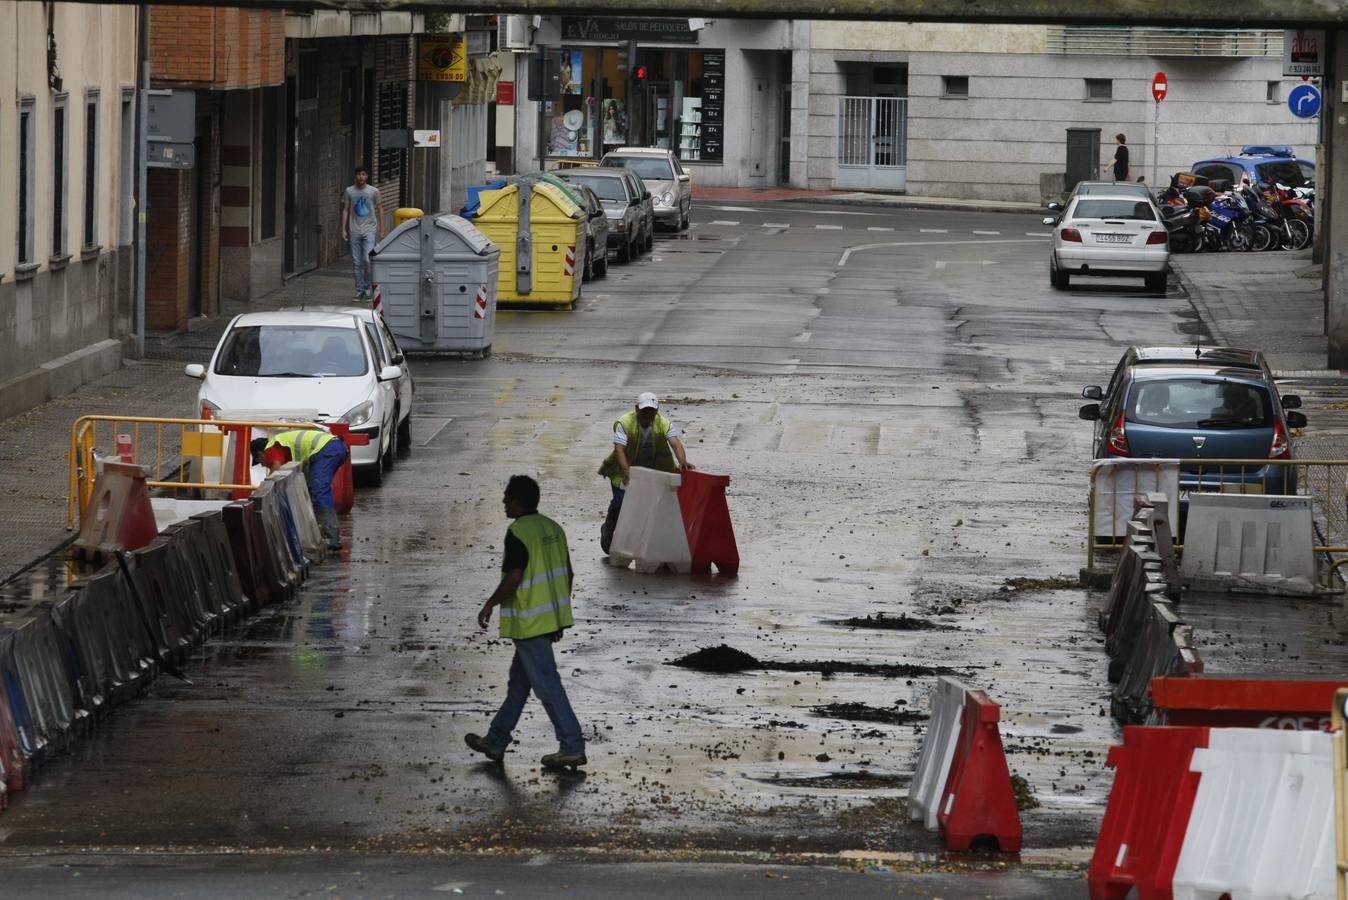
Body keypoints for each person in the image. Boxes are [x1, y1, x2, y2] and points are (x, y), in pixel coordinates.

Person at [465, 475, 586, 770]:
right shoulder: (553, 529)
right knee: (519, 684)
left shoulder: (518, 531)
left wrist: (490, 603)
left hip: (530, 623)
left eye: (507, 497)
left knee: (547, 684)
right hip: (549, 619)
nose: (504, 502)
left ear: (519, 501)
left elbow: (515, 577)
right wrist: (558, 615)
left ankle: (572, 745)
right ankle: (495, 740)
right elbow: (567, 574)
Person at [596, 392, 692, 554]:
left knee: (654, 509)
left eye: (651, 411)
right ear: (637, 409)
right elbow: (619, 449)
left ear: (656, 411)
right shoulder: (625, 423)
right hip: (626, 470)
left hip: (652, 473)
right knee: (620, 503)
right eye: (645, 410)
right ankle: (609, 525)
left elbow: (675, 443)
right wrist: (627, 472)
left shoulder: (664, 423)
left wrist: (682, 461)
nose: (648, 414)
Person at [251, 430, 348, 550]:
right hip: (334, 448)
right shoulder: (283, 448)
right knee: (315, 490)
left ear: (261, 454)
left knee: (319, 490)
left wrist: (264, 490)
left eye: (260, 462)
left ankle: (332, 537)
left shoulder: (271, 447)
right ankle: (322, 533)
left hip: (328, 449)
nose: (263, 465)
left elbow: (276, 469)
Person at [341, 165, 384, 301]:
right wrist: (343, 229)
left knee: (367, 259)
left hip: (370, 230)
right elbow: (346, 210)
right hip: (354, 230)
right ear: (355, 176)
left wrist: (382, 230)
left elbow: (380, 209)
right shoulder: (349, 191)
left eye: (364, 174)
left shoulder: (373, 191)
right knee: (356, 262)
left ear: (367, 176)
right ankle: (359, 291)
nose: (361, 177)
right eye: (359, 174)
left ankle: (367, 287)